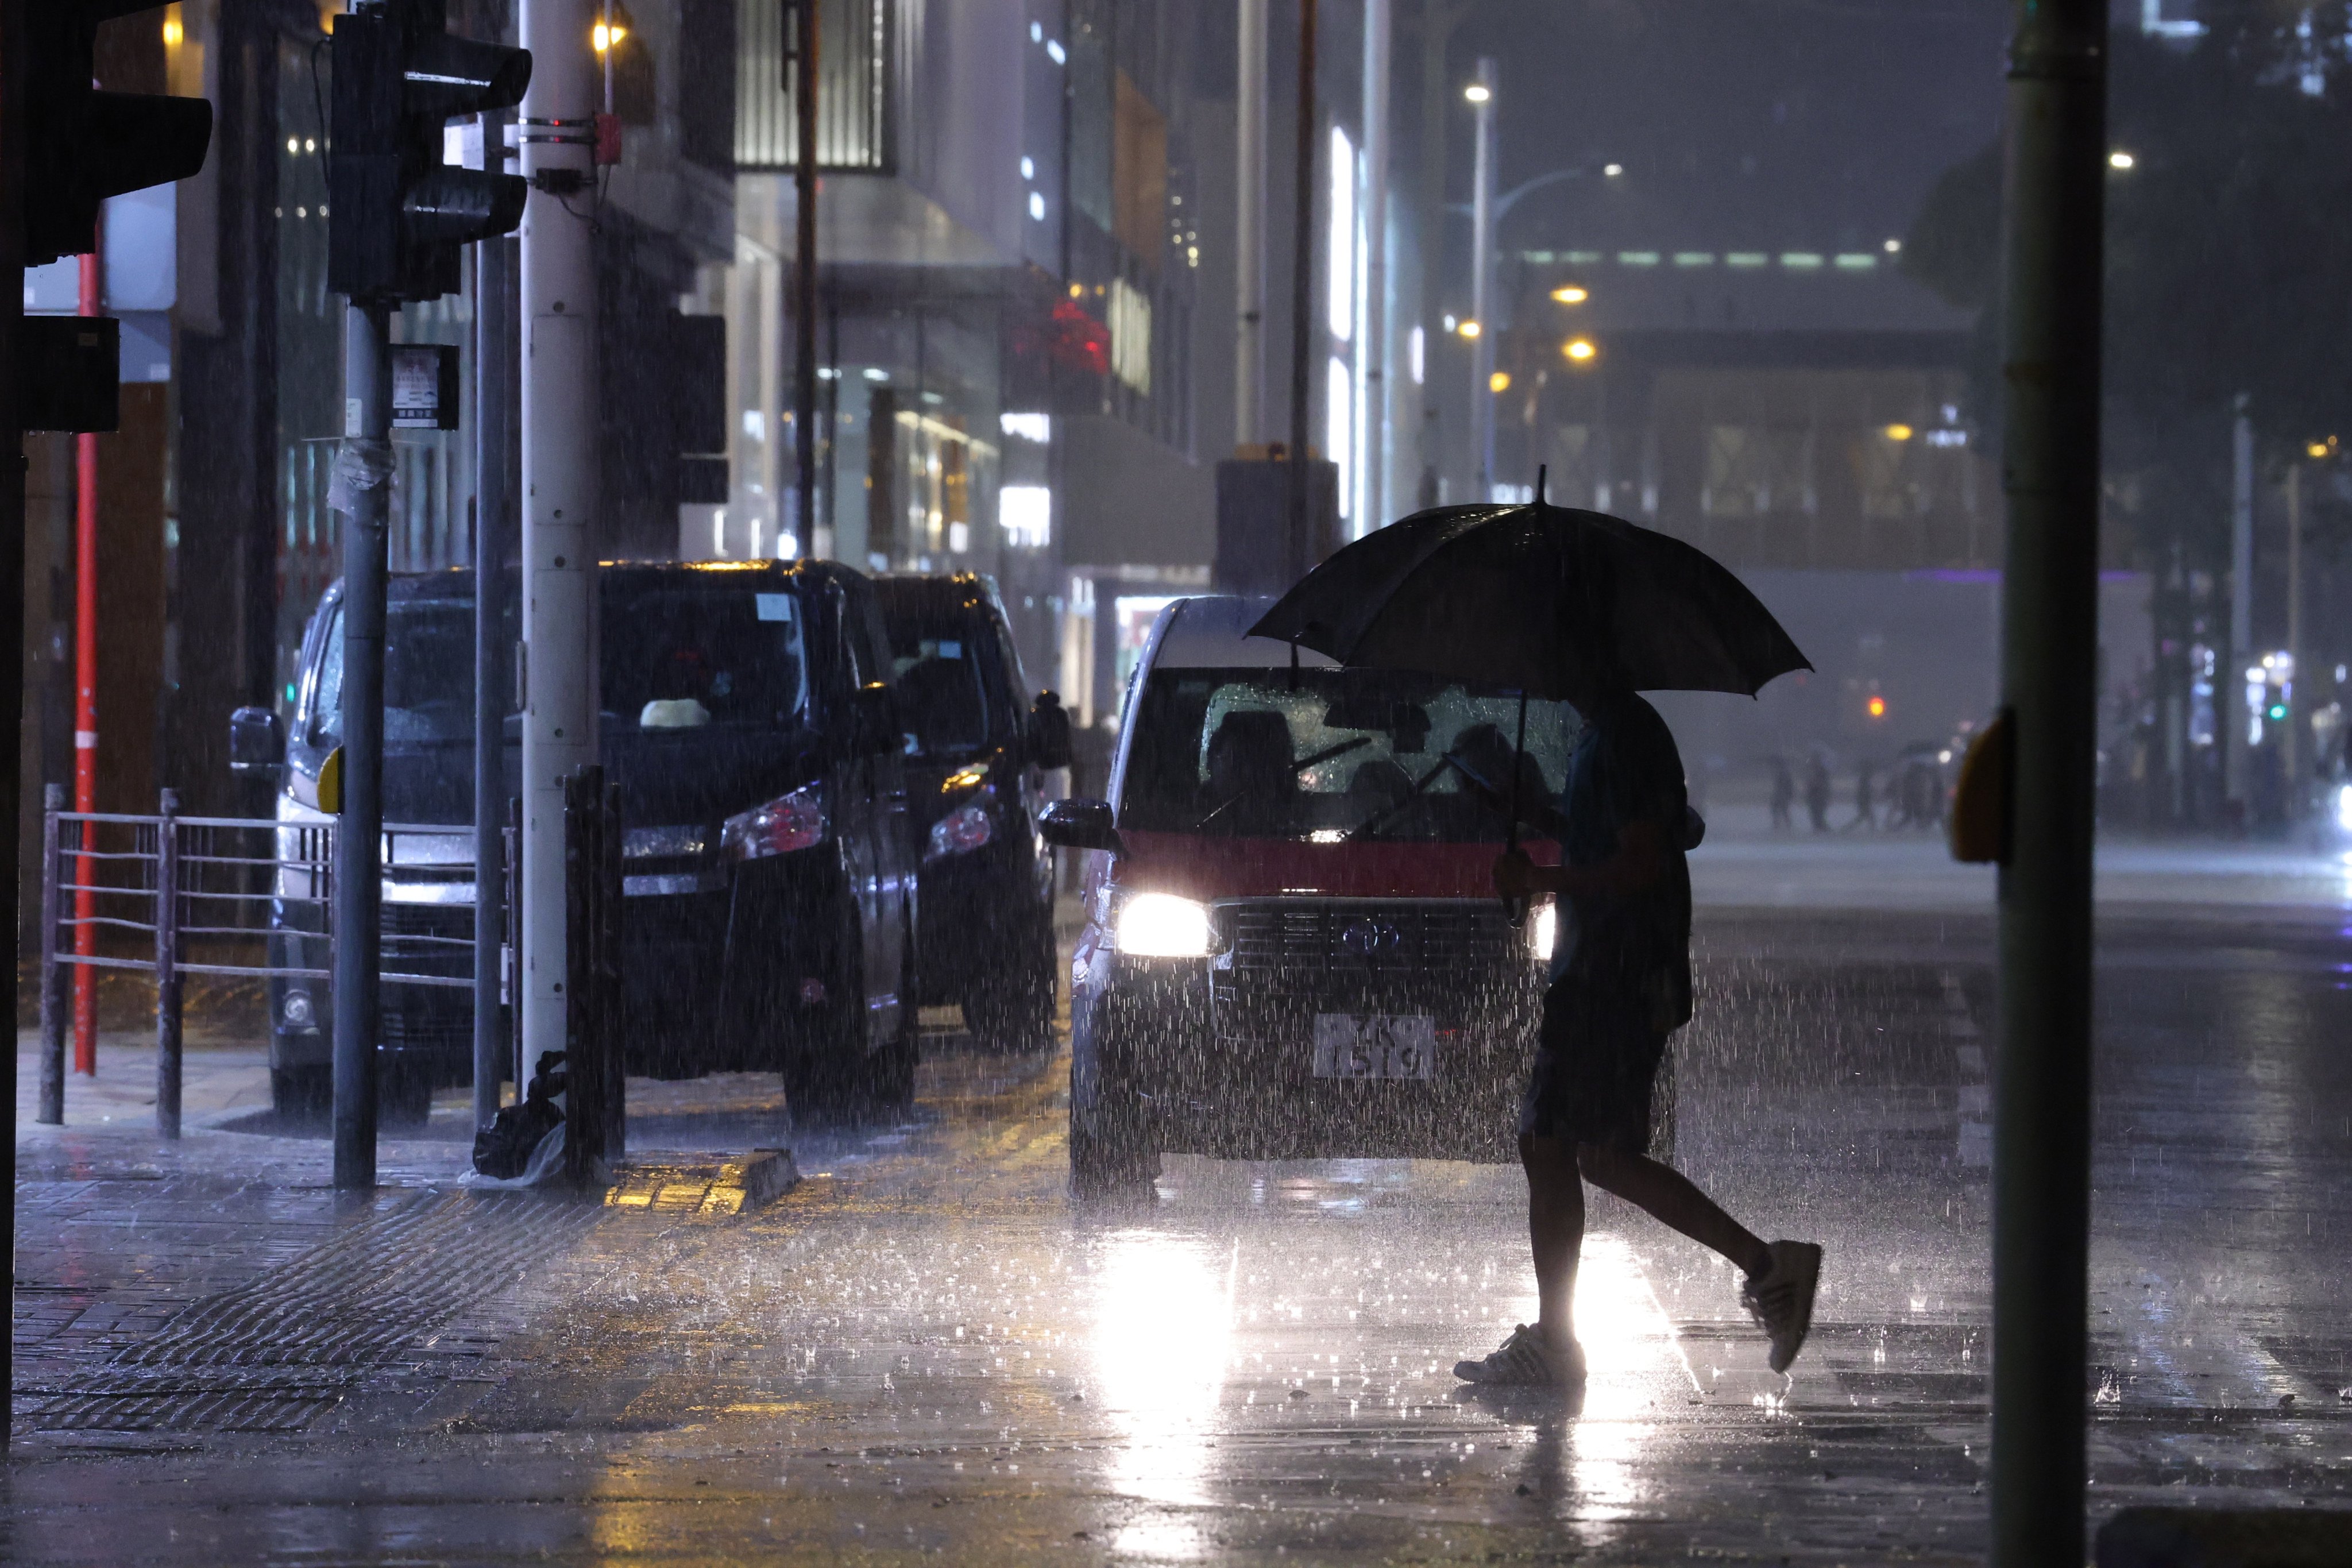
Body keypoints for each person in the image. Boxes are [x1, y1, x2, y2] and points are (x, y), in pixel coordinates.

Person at [1454, 667, 1822, 1388]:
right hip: (1598, 973)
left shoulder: (1627, 733)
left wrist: (1541, 883)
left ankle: (1761, 1268)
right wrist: (1539, 815)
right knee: (1569, 1149)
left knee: (1573, 1149)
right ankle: (1763, 1268)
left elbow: (1639, 864)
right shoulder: (1607, 734)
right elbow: (1617, 839)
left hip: (1612, 977)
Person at [1803, 751, 1833, 833]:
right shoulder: (1813, 771)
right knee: (1815, 815)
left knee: (1818, 815)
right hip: (1814, 796)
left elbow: (1822, 784)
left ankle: (1822, 830)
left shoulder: (1821, 772)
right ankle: (1819, 829)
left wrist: (1814, 784)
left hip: (1819, 796)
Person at [1768, 754, 1795, 832]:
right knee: (1780, 810)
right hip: (1781, 794)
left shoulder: (1783, 772)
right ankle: (1783, 825)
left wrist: (1787, 794)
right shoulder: (1783, 771)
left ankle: (1784, 825)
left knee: (1781, 810)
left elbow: (1786, 785)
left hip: (1782, 795)